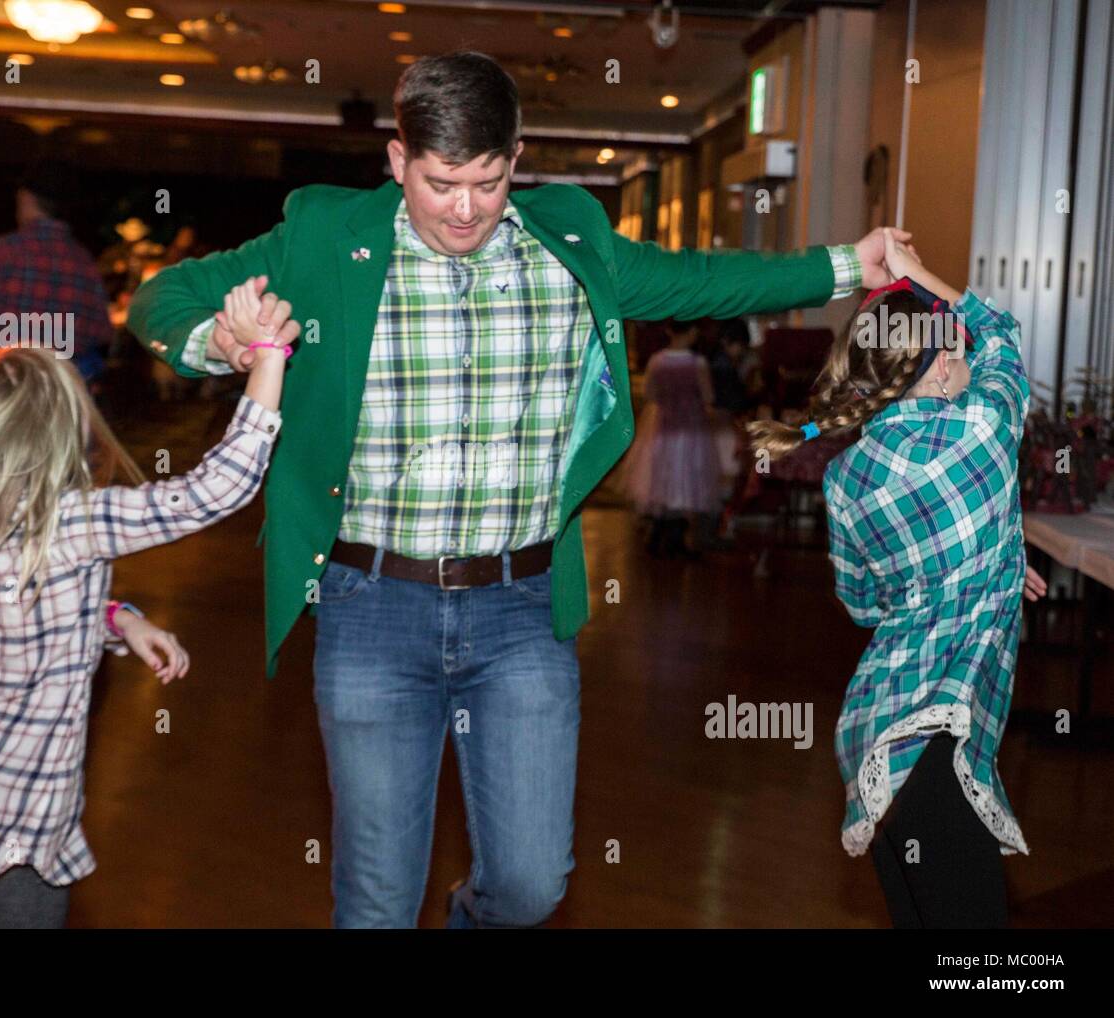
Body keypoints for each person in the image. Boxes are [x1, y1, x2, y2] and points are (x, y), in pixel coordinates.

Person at [127, 50, 910, 929]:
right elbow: (160, 299)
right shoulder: (321, 235)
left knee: (533, 885)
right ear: (398, 162)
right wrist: (224, 343)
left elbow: (700, 278)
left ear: (518, 160)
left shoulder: (567, 237)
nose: (464, 209)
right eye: (441, 182)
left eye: (488, 182)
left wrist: (851, 265)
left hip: (521, 610)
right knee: (379, 898)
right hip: (370, 603)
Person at [0, 278, 296, 928]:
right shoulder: (70, 523)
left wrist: (121, 620)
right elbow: (216, 490)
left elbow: (34, 620)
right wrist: (269, 360)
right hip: (19, 804)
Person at [746, 230, 1048, 928]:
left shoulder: (846, 476)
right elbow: (1000, 330)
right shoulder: (982, 427)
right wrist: (918, 269)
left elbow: (863, 603)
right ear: (942, 366)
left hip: (879, 741)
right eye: (957, 352)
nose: (968, 358)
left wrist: (996, 558)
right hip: (938, 750)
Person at [0, 162, 114, 383]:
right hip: (62, 390)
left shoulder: (1, 251)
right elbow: (102, 332)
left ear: (26, 198)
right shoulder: (83, 260)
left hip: (6, 385)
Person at [623, 319, 721, 559]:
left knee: (660, 476)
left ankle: (658, 534)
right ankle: (676, 537)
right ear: (693, 331)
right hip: (690, 427)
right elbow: (708, 397)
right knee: (686, 478)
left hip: (661, 424)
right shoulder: (697, 362)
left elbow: (649, 393)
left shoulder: (657, 361)